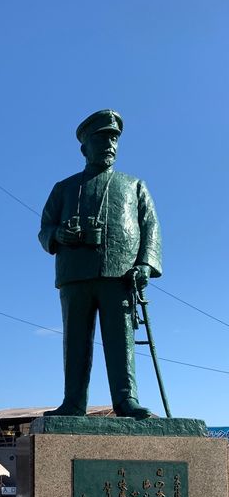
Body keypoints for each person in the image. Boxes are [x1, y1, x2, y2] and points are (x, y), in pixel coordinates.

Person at [38, 110, 162, 419]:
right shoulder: (64, 188)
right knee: (76, 342)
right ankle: (73, 402)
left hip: (119, 274)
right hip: (75, 275)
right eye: (102, 138)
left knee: (120, 342)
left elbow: (152, 228)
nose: (110, 144)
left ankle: (126, 401)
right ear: (85, 147)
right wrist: (59, 235)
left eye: (114, 138)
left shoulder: (134, 185)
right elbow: (44, 230)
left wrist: (145, 264)